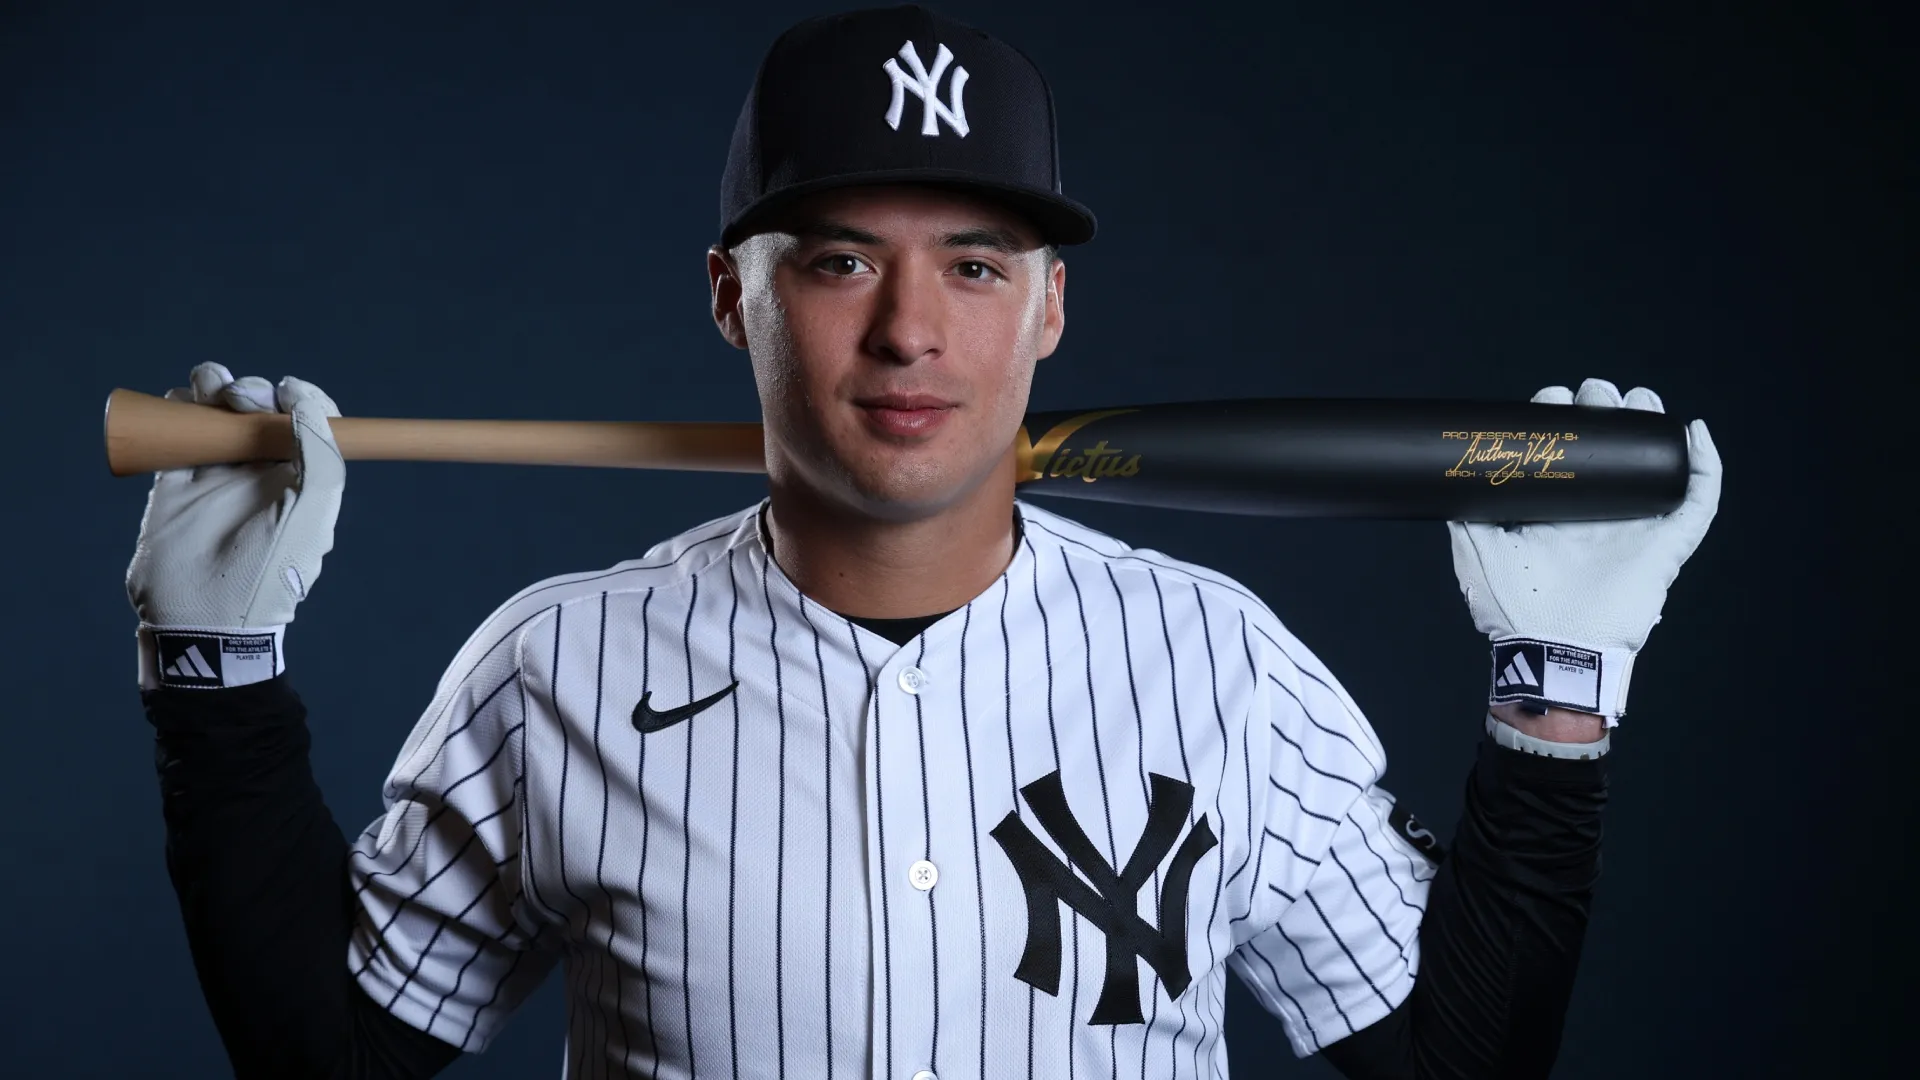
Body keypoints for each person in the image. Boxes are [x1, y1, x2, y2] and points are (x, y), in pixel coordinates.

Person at [128, 5, 1722, 1078]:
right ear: (729, 294)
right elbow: (333, 1054)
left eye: (973, 264)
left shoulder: (1223, 661)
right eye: (836, 260)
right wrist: (216, 688)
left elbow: (1453, 1061)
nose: (908, 334)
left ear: (1049, 309)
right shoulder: (560, 662)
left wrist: (1556, 695)